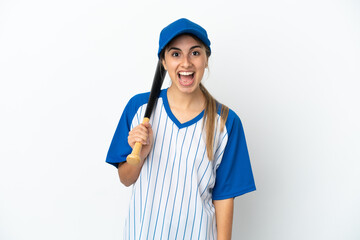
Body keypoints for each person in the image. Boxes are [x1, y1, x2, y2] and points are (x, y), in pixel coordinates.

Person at [106, 18, 256, 240]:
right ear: (164, 62)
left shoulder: (226, 122)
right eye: (175, 54)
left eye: (195, 53)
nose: (186, 63)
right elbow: (125, 179)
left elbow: (224, 197)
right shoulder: (138, 108)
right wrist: (139, 155)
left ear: (206, 60)